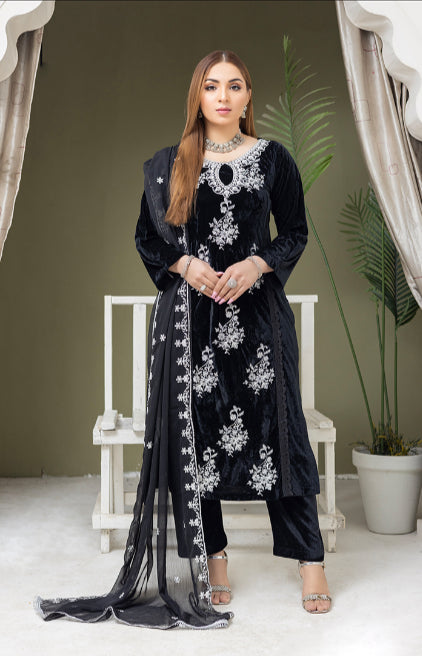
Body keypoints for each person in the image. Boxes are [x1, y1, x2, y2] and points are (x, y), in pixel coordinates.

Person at [34, 49, 331, 630]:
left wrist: (257, 264)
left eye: (235, 86)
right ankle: (213, 557)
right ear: (198, 95)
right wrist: (185, 265)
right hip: (191, 320)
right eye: (212, 85)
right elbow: (148, 238)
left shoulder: (274, 160)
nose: (223, 96)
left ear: (248, 97)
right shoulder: (171, 162)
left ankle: (310, 561)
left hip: (260, 322)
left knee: (283, 433)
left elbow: (294, 233)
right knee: (201, 436)